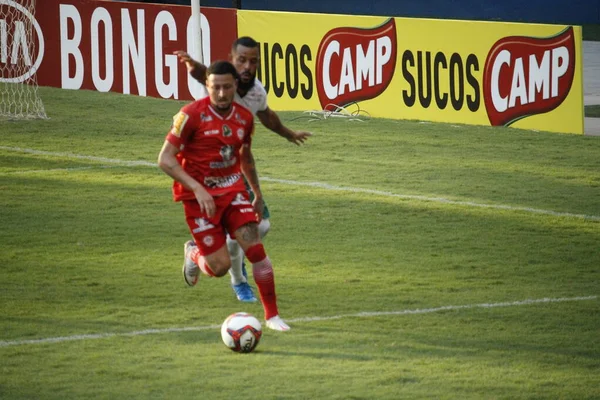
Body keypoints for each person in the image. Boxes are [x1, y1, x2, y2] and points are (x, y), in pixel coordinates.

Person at [174, 36, 312, 303]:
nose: (247, 66)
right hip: (205, 171)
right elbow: (205, 74)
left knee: (261, 227)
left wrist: (288, 133)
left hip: (234, 167)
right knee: (239, 236)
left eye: (253, 61)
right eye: (241, 60)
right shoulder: (221, 83)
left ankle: (200, 250)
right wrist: (194, 68)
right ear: (231, 59)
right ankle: (239, 282)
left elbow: (266, 116)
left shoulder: (257, 91)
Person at [157, 60, 290, 331]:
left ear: (234, 87)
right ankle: (194, 254)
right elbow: (165, 159)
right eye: (215, 87)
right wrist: (197, 188)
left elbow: (245, 156)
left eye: (226, 87)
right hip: (199, 199)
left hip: (233, 192)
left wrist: (257, 193)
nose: (221, 93)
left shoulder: (244, 117)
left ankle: (273, 316)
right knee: (218, 266)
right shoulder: (190, 115)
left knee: (256, 249)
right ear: (206, 86)